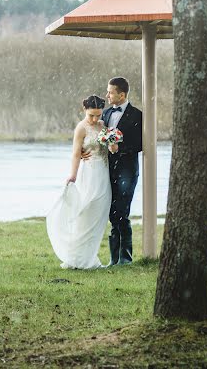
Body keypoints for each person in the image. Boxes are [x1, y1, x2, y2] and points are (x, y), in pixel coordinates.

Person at [46, 95, 112, 269]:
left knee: (98, 215)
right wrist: (73, 175)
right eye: (91, 115)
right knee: (85, 213)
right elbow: (76, 153)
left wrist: (112, 143)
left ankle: (90, 257)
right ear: (85, 110)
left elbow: (111, 149)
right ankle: (77, 258)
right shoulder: (81, 128)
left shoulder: (104, 126)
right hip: (88, 174)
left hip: (103, 175)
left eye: (98, 115)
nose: (95, 119)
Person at [102, 77, 142, 265]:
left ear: (122, 94)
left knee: (122, 211)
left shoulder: (137, 116)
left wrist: (120, 147)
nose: (107, 95)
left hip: (127, 170)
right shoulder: (106, 113)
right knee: (112, 211)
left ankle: (125, 258)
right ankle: (113, 259)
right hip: (108, 169)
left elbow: (142, 143)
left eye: (110, 92)